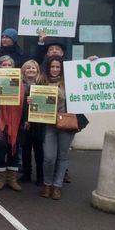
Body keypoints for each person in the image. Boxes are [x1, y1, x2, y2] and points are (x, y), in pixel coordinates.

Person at [36, 55, 72, 200]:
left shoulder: (69, 82)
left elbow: (88, 79)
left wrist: (92, 61)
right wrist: (31, 100)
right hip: (48, 123)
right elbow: (35, 100)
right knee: (49, 157)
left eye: (58, 67)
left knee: (63, 156)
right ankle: (47, 184)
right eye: (52, 67)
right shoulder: (41, 81)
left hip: (66, 123)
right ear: (48, 67)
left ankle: (57, 186)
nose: (55, 69)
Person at [0, 55, 24, 192]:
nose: (7, 67)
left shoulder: (20, 83)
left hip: (16, 122)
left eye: (10, 65)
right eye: (4, 64)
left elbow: (25, 103)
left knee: (13, 149)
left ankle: (12, 179)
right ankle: (0, 178)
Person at [19, 59, 44, 185]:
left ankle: (41, 177)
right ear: (23, 70)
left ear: (37, 70)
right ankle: (26, 174)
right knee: (25, 150)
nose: (31, 70)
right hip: (24, 122)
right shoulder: (18, 84)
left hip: (39, 122)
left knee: (39, 151)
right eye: (28, 68)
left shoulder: (43, 84)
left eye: (33, 68)